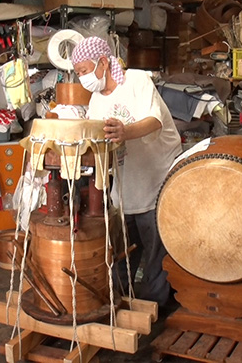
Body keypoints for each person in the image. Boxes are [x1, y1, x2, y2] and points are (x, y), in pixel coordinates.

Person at [71, 36, 182, 306]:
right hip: (125, 184)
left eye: (84, 71)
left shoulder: (136, 81)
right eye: (78, 74)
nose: (82, 78)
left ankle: (156, 309)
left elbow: (154, 121)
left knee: (157, 251)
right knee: (124, 251)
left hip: (156, 178)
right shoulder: (96, 99)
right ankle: (121, 301)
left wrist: (125, 131)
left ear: (103, 62)